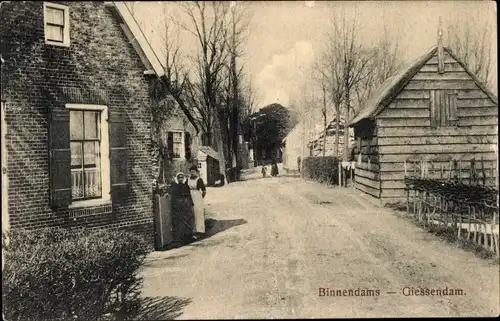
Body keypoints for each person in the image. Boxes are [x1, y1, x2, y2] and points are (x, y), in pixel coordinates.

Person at [170, 172, 195, 243]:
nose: (180, 179)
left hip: (186, 204)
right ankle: (181, 237)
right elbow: (171, 191)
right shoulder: (175, 185)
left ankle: (188, 236)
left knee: (188, 220)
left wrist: (191, 203)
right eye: (179, 178)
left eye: (182, 177)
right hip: (179, 205)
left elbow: (189, 194)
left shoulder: (185, 185)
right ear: (177, 178)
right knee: (180, 221)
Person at [187, 165, 207, 238]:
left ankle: (201, 230)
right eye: (191, 172)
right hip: (190, 196)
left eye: (194, 172)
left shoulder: (199, 180)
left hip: (197, 196)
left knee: (198, 212)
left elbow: (204, 191)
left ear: (196, 172)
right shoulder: (188, 179)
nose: (192, 173)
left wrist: (201, 197)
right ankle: (193, 230)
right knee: (191, 213)